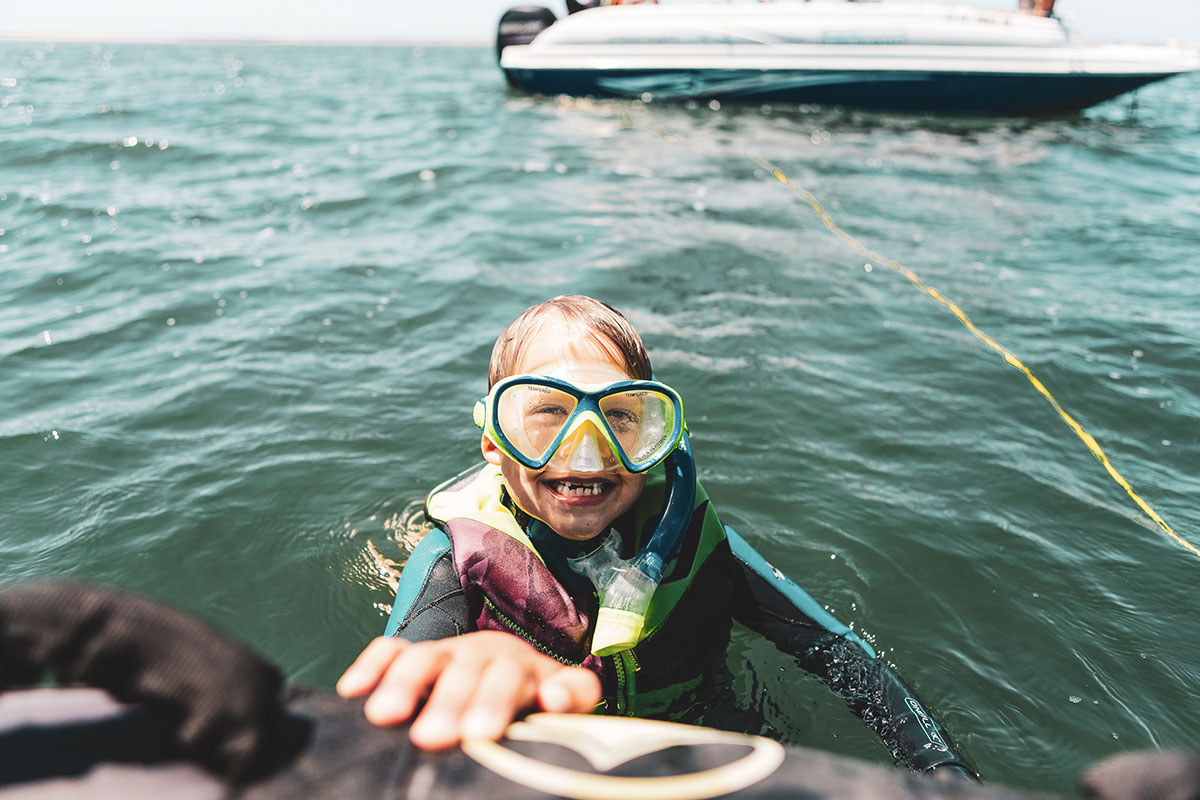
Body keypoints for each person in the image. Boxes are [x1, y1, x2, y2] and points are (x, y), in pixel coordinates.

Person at [338, 295, 975, 778]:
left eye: (618, 417)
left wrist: (942, 778)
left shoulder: (696, 543)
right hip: (541, 763)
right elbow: (399, 694)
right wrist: (459, 670)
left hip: (708, 746)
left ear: (655, 440)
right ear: (492, 441)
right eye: (546, 417)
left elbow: (839, 654)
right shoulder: (456, 560)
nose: (585, 455)